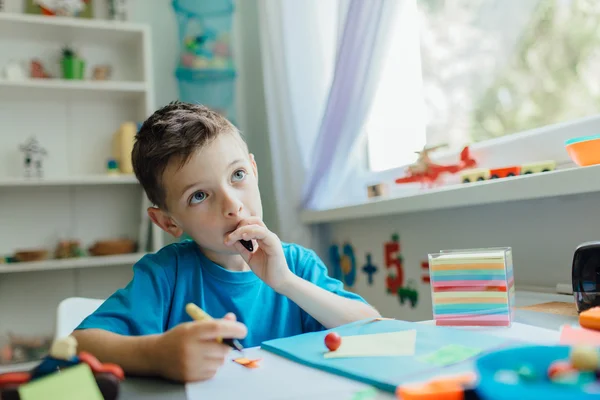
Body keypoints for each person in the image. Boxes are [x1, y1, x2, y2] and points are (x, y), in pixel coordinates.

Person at [71, 101, 380, 382]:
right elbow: (78, 344)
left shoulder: (298, 266)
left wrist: (286, 282)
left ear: (254, 171)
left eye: (237, 175)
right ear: (169, 222)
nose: (232, 204)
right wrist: (158, 355)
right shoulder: (166, 274)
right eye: (200, 196)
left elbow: (373, 328)